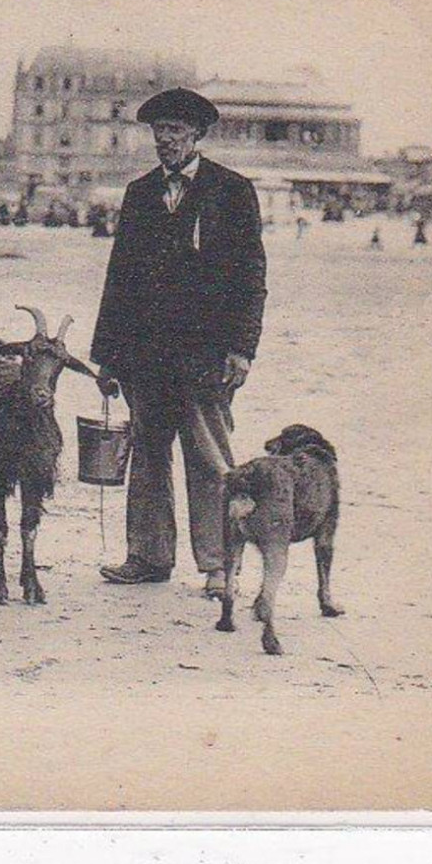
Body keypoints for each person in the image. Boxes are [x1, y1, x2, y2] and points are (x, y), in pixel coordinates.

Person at [90, 87, 267, 599]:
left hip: (206, 355)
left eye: (174, 130)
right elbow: (119, 276)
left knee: (210, 461)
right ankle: (148, 556)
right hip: (146, 356)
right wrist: (107, 356)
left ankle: (217, 565)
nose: (163, 140)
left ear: (196, 135)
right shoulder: (139, 192)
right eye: (157, 130)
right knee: (147, 457)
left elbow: (250, 276)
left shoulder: (232, 191)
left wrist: (242, 349)